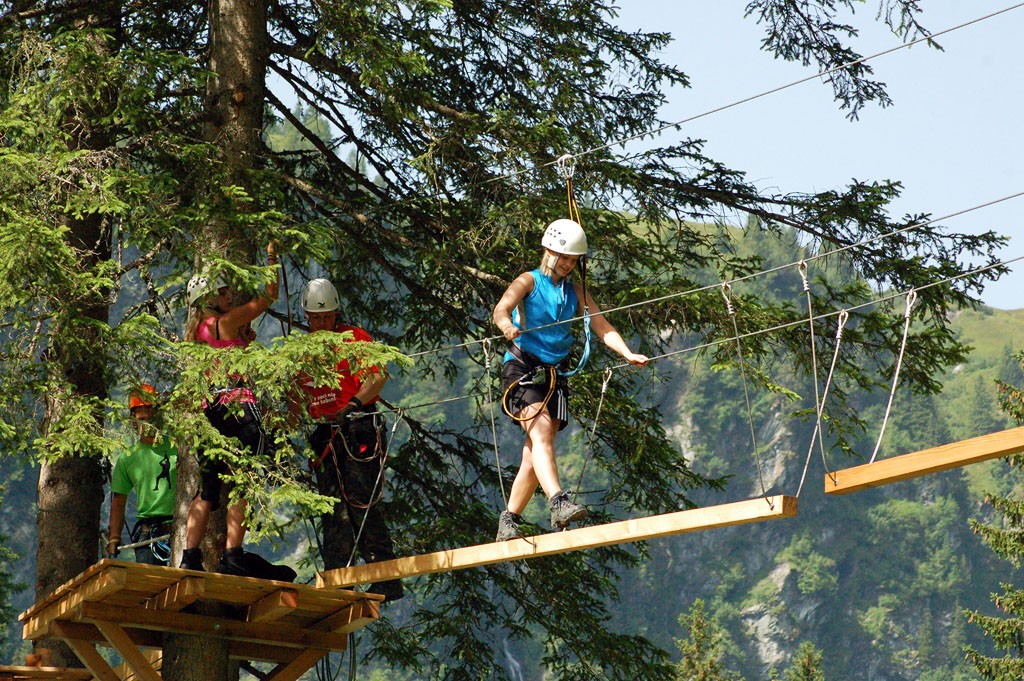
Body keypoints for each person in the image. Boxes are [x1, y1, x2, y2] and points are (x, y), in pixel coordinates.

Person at [492, 218, 649, 541]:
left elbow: (602, 327)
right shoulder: (528, 281)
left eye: (574, 260)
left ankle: (508, 520)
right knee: (543, 431)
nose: (568, 264)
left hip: (553, 376)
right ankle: (558, 501)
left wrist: (627, 353)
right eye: (564, 257)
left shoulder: (575, 291)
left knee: (534, 450)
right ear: (548, 251)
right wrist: (508, 327)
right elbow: (501, 309)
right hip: (522, 368)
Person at [293, 277, 403, 601]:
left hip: (357, 426)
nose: (323, 322)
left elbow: (378, 375)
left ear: (336, 313)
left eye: (327, 316)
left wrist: (353, 403)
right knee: (332, 508)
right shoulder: (303, 353)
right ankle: (338, 578)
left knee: (361, 500)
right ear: (307, 317)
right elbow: (295, 397)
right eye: (316, 317)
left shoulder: (354, 337)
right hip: (325, 433)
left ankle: (386, 574)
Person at [179, 243, 281, 576]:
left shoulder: (197, 332)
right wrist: (271, 259)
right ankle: (233, 555)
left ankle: (189, 557)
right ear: (207, 298)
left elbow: (224, 355)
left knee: (206, 492)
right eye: (221, 291)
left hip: (210, 412)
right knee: (244, 480)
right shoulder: (226, 320)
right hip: (237, 406)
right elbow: (269, 297)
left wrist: (241, 341)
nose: (227, 295)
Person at [106, 384, 176, 565]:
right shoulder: (128, 458)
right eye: (141, 417)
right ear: (133, 420)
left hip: (180, 526)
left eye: (150, 415)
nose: (146, 422)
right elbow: (118, 500)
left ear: (158, 416)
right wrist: (114, 536)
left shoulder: (178, 447)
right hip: (148, 532)